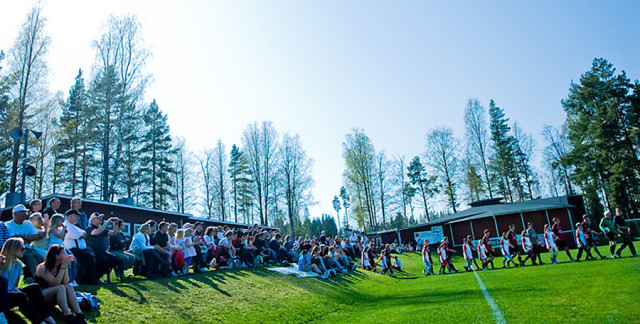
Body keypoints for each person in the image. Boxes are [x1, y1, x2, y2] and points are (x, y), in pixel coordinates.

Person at [0, 238, 55, 324]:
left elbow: (15, 286)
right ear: (13, 249)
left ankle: (47, 317)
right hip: (2, 296)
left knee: (34, 287)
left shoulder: (18, 264)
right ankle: (39, 322)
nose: (23, 251)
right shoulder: (2, 264)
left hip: (10, 293)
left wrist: (17, 291)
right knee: (20, 296)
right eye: (21, 249)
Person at [35, 245, 86, 323]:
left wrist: (64, 267)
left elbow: (66, 282)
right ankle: (67, 315)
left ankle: (79, 314)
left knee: (68, 286)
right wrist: (63, 266)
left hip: (54, 294)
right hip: (41, 295)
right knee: (60, 287)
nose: (65, 255)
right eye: (63, 254)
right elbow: (56, 283)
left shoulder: (60, 266)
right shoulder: (43, 268)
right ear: (56, 256)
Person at [4, 204, 46, 282]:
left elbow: (35, 237)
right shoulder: (8, 225)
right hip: (15, 250)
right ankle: (39, 279)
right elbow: (12, 241)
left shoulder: (28, 223)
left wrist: (22, 236)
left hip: (27, 247)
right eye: (22, 212)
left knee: (39, 257)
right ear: (15, 214)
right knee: (29, 258)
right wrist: (27, 237)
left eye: (25, 212)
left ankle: (47, 277)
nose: (25, 214)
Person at [64, 209, 101, 285]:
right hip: (71, 250)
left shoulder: (73, 226)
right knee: (88, 258)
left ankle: (88, 278)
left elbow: (84, 232)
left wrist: (82, 234)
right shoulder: (66, 225)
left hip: (79, 249)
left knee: (92, 257)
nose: (78, 218)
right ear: (70, 216)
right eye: (76, 216)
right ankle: (91, 280)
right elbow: (80, 235)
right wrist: (82, 234)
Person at [86, 213, 119, 281]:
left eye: (101, 218)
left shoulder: (102, 229)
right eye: (98, 218)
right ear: (92, 220)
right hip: (93, 251)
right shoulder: (89, 228)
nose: (100, 219)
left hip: (102, 251)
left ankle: (103, 275)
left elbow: (113, 233)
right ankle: (96, 277)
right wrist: (106, 223)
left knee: (114, 259)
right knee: (104, 260)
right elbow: (96, 232)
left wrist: (115, 224)